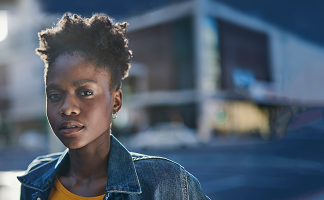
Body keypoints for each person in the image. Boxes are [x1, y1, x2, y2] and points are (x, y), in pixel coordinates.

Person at [17, 13, 210, 200]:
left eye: (85, 92)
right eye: (55, 95)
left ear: (116, 101)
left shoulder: (165, 183)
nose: (67, 108)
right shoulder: (35, 180)